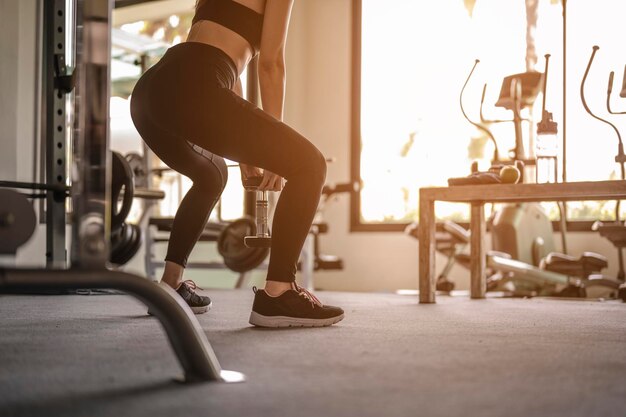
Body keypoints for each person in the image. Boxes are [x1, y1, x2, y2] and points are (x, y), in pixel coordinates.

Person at [130, 0, 344, 327]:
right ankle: (278, 294)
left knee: (211, 176)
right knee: (310, 165)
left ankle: (171, 285)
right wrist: (272, 155)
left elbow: (223, 68)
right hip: (198, 81)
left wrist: (249, 154)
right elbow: (270, 64)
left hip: (151, 89)